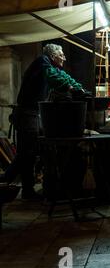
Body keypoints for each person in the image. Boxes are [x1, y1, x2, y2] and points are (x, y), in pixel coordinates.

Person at [2, 43, 86, 200]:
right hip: (27, 114)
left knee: (27, 152)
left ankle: (10, 179)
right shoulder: (43, 62)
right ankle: (24, 189)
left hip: (32, 114)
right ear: (53, 56)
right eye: (62, 54)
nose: (64, 57)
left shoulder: (51, 66)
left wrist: (79, 87)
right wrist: (70, 88)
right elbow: (55, 78)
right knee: (28, 153)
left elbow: (63, 76)